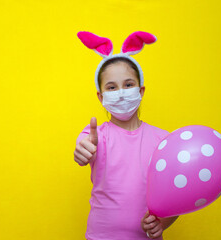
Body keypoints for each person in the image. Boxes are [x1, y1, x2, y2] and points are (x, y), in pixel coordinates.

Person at [75, 31, 179, 240]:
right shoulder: (96, 135)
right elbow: (83, 145)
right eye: (112, 87)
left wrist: (162, 225)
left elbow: (177, 197)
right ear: (101, 96)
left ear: (141, 91)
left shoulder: (164, 141)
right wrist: (82, 150)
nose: (121, 92)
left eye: (128, 85)